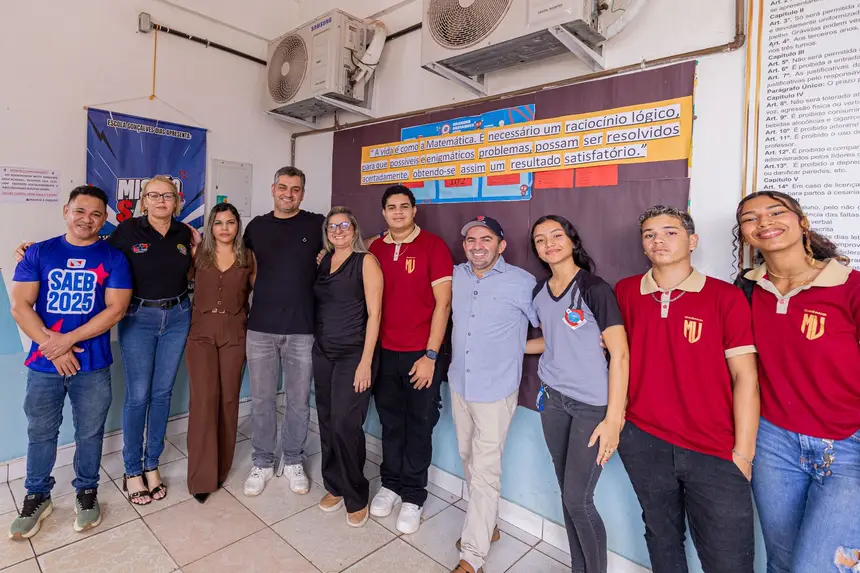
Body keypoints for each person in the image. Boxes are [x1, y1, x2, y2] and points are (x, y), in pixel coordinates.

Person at [13, 175, 197, 506]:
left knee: (162, 394)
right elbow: (85, 243)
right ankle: (132, 470)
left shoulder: (184, 233)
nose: (161, 201)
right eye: (153, 195)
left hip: (179, 315)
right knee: (138, 396)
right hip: (139, 318)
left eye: (168, 196)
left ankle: (152, 463)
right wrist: (31, 250)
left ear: (177, 202)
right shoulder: (125, 232)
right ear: (143, 201)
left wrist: (197, 248)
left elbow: (191, 271)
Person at [614, 206, 759, 573]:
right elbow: (618, 355)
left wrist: (743, 453)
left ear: (692, 241)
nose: (658, 240)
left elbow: (745, 377)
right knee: (661, 536)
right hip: (645, 438)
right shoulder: (626, 291)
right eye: (649, 234)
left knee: (728, 556)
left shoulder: (724, 297)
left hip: (713, 446)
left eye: (670, 232)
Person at [734, 191, 860, 573]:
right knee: (782, 562)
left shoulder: (850, 286)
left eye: (776, 212)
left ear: (802, 222)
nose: (764, 222)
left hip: (846, 444)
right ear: (744, 234)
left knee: (817, 567)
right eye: (750, 218)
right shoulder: (746, 290)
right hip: (774, 443)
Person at [8, 185, 132, 538]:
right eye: (80, 211)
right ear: (66, 211)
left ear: (104, 220)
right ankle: (37, 495)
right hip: (44, 364)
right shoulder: (39, 252)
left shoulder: (114, 258)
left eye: (95, 214)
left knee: (90, 432)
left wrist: (68, 340)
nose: (86, 219)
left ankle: (87, 491)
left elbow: (116, 309)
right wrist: (55, 346)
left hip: (92, 365)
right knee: (40, 432)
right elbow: (20, 306)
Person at [526, 215, 629, 573]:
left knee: (578, 499)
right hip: (553, 400)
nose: (549, 244)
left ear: (572, 241)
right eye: (540, 240)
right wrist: (511, 346)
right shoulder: (540, 292)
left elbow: (620, 353)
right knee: (568, 494)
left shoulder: (594, 289)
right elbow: (552, 340)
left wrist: (613, 419)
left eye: (556, 235)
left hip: (591, 407)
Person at [448, 216, 539, 573]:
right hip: (460, 385)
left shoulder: (522, 282)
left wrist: (514, 348)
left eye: (486, 239)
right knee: (468, 458)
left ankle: (472, 556)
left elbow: (552, 330)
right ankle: (489, 526)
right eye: (471, 239)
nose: (477, 246)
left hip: (496, 392)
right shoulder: (456, 275)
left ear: (501, 245)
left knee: (486, 470)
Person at [367, 185, 453, 534]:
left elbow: (443, 305)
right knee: (390, 422)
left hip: (422, 354)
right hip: (385, 352)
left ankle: (413, 496)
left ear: (414, 210)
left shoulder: (434, 246)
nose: (398, 212)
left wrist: (430, 355)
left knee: (419, 425)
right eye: (392, 207)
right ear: (384, 212)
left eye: (405, 206)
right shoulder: (375, 248)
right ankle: (390, 484)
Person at [242, 166, 325, 496]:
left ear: (302, 193)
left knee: (298, 401)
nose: (288, 194)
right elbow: (248, 270)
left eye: (295, 189)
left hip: (302, 329)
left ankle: (293, 459)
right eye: (283, 187)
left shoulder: (317, 225)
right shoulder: (256, 227)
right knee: (262, 400)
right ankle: (262, 461)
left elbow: (345, 243)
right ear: (273, 188)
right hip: (261, 328)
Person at [314, 206, 383, 527]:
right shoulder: (324, 261)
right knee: (327, 420)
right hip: (323, 351)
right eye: (332, 226)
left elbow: (375, 314)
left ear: (354, 229)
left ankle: (356, 495)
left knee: (345, 424)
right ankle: (335, 485)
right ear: (327, 233)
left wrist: (366, 361)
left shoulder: (366, 262)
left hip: (354, 354)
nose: (338, 230)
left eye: (344, 225)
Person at [185, 203, 255, 504]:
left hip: (235, 334)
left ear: (237, 226)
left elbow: (262, 291)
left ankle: (220, 469)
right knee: (204, 400)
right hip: (201, 333)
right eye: (218, 223)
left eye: (230, 222)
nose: (224, 228)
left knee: (228, 401)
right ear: (210, 227)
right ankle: (201, 477)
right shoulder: (197, 254)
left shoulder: (248, 257)